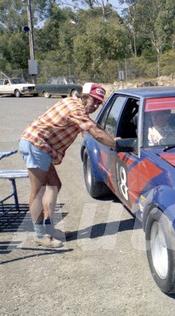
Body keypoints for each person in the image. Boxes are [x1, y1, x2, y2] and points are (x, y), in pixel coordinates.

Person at [19, 83, 117, 248]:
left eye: (99, 103)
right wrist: (117, 145)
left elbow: (93, 125)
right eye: (93, 100)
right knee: (38, 190)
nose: (95, 105)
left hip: (42, 147)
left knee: (55, 184)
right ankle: (40, 235)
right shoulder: (76, 109)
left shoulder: (74, 103)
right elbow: (96, 132)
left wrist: (112, 139)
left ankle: (49, 229)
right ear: (84, 96)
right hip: (36, 145)